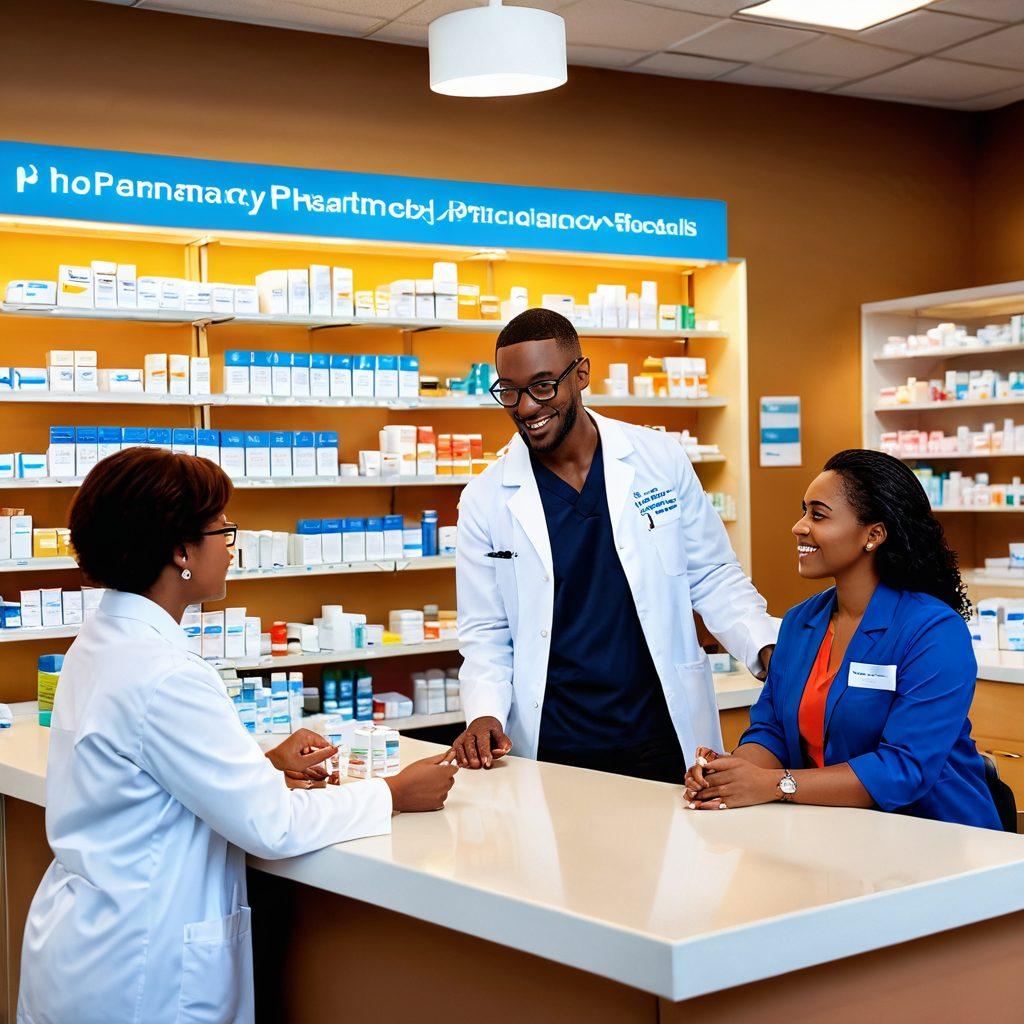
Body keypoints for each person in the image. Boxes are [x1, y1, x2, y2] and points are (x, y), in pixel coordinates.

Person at [18, 448, 458, 1024]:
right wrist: (394, 794)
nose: (230, 546)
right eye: (221, 529)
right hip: (142, 971)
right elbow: (272, 825)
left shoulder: (103, 639)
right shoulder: (166, 672)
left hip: (86, 948)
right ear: (179, 550)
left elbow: (143, 763)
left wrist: (258, 761)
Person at [449, 308, 778, 783]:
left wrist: (763, 644)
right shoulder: (485, 498)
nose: (525, 408)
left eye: (543, 386)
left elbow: (711, 574)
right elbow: (486, 632)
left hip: (662, 729)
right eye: (510, 391)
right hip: (555, 737)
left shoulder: (657, 458)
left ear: (581, 375)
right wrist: (484, 713)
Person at [684, 449, 1001, 830]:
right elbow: (771, 732)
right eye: (804, 511)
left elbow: (904, 768)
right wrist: (728, 773)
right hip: (837, 835)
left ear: (874, 535)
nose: (799, 527)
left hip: (938, 836)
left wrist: (774, 784)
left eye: (818, 515)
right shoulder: (802, 622)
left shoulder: (932, 631)